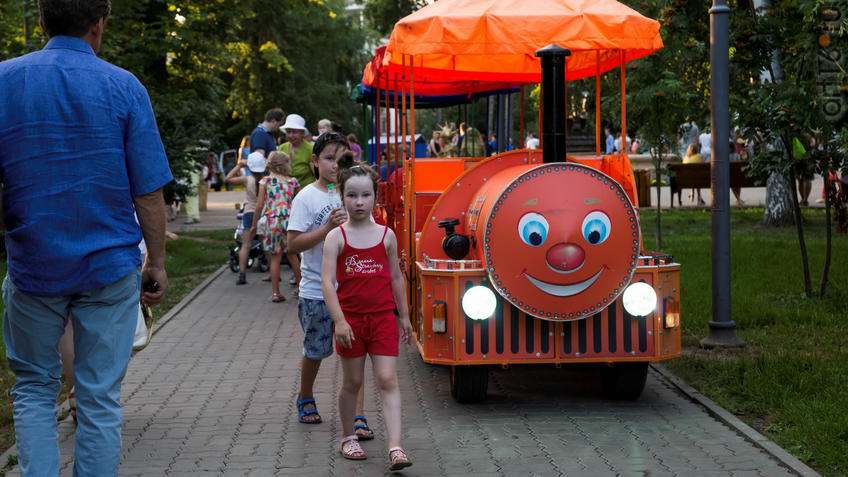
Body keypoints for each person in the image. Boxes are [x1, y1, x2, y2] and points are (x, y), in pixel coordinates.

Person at [0, 1, 171, 474]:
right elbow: (148, 192)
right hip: (109, 268)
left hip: (33, 266)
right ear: (98, 25)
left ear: (40, 22)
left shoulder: (4, 80)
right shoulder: (123, 86)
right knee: (98, 396)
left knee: (34, 387)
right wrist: (155, 261)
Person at [321, 156, 413, 470]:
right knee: (353, 383)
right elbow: (327, 283)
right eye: (351, 195)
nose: (359, 202)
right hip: (351, 324)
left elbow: (396, 278)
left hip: (383, 319)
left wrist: (404, 317)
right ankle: (348, 437)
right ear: (342, 196)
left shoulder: (387, 235)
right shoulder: (337, 237)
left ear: (375, 196)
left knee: (387, 379)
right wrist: (339, 321)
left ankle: (396, 447)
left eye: (365, 195)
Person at [287, 133, 374, 436]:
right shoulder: (306, 198)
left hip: (354, 291)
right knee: (316, 350)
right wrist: (327, 229)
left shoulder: (354, 191)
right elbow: (293, 245)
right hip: (316, 292)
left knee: (356, 356)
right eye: (328, 158)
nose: (336, 165)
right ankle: (306, 396)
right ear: (314, 161)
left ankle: (359, 414)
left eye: (342, 158)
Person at [249, 151, 300, 302]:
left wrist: (254, 225)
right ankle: (303, 288)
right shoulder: (293, 182)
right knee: (293, 255)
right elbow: (301, 200)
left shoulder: (265, 182)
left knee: (275, 258)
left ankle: (276, 293)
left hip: (273, 222)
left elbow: (259, 206)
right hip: (290, 221)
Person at [226, 151, 267, 285]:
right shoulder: (268, 179)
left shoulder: (246, 179)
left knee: (245, 245)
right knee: (266, 245)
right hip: (264, 213)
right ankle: (273, 272)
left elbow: (228, 179)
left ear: (249, 167)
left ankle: (242, 274)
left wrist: (239, 165)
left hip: (249, 213)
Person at [278, 113, 315, 188]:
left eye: (294, 132)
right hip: (285, 192)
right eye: (288, 132)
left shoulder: (310, 149)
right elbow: (276, 172)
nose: (290, 135)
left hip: (305, 191)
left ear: (302, 133)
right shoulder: (281, 148)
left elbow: (317, 175)